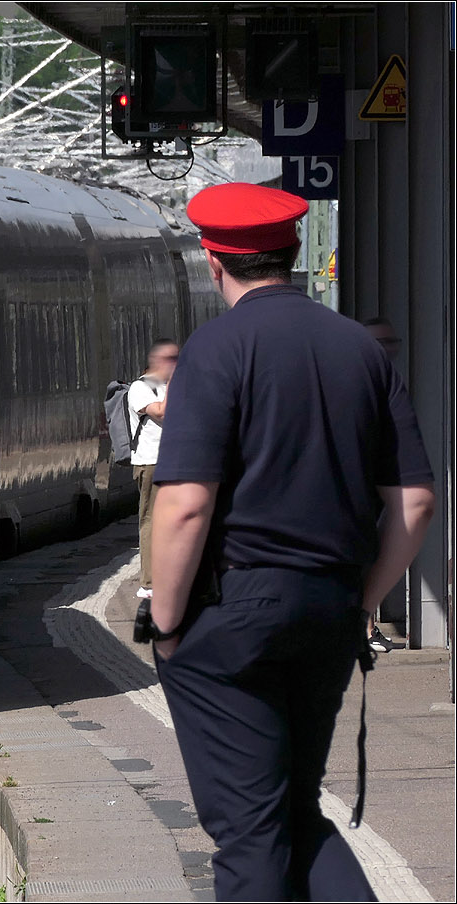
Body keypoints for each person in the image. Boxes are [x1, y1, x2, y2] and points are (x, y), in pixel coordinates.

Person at [146, 182, 435, 901]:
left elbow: (185, 504)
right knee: (290, 812)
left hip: (231, 612)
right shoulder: (360, 351)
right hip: (328, 607)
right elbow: (417, 501)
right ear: (296, 253)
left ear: (215, 263)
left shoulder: (215, 350)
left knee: (249, 829)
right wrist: (360, 601)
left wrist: (168, 624)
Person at [360, 316, 405, 652]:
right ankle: (365, 629)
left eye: (391, 344)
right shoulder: (359, 383)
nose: (387, 351)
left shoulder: (388, 383)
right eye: (380, 343)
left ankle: (366, 627)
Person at [128, 339, 179, 600]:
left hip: (173, 460)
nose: (177, 364)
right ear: (158, 361)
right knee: (150, 522)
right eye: (173, 359)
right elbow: (162, 412)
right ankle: (148, 583)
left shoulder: (169, 385)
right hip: (150, 462)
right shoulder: (140, 387)